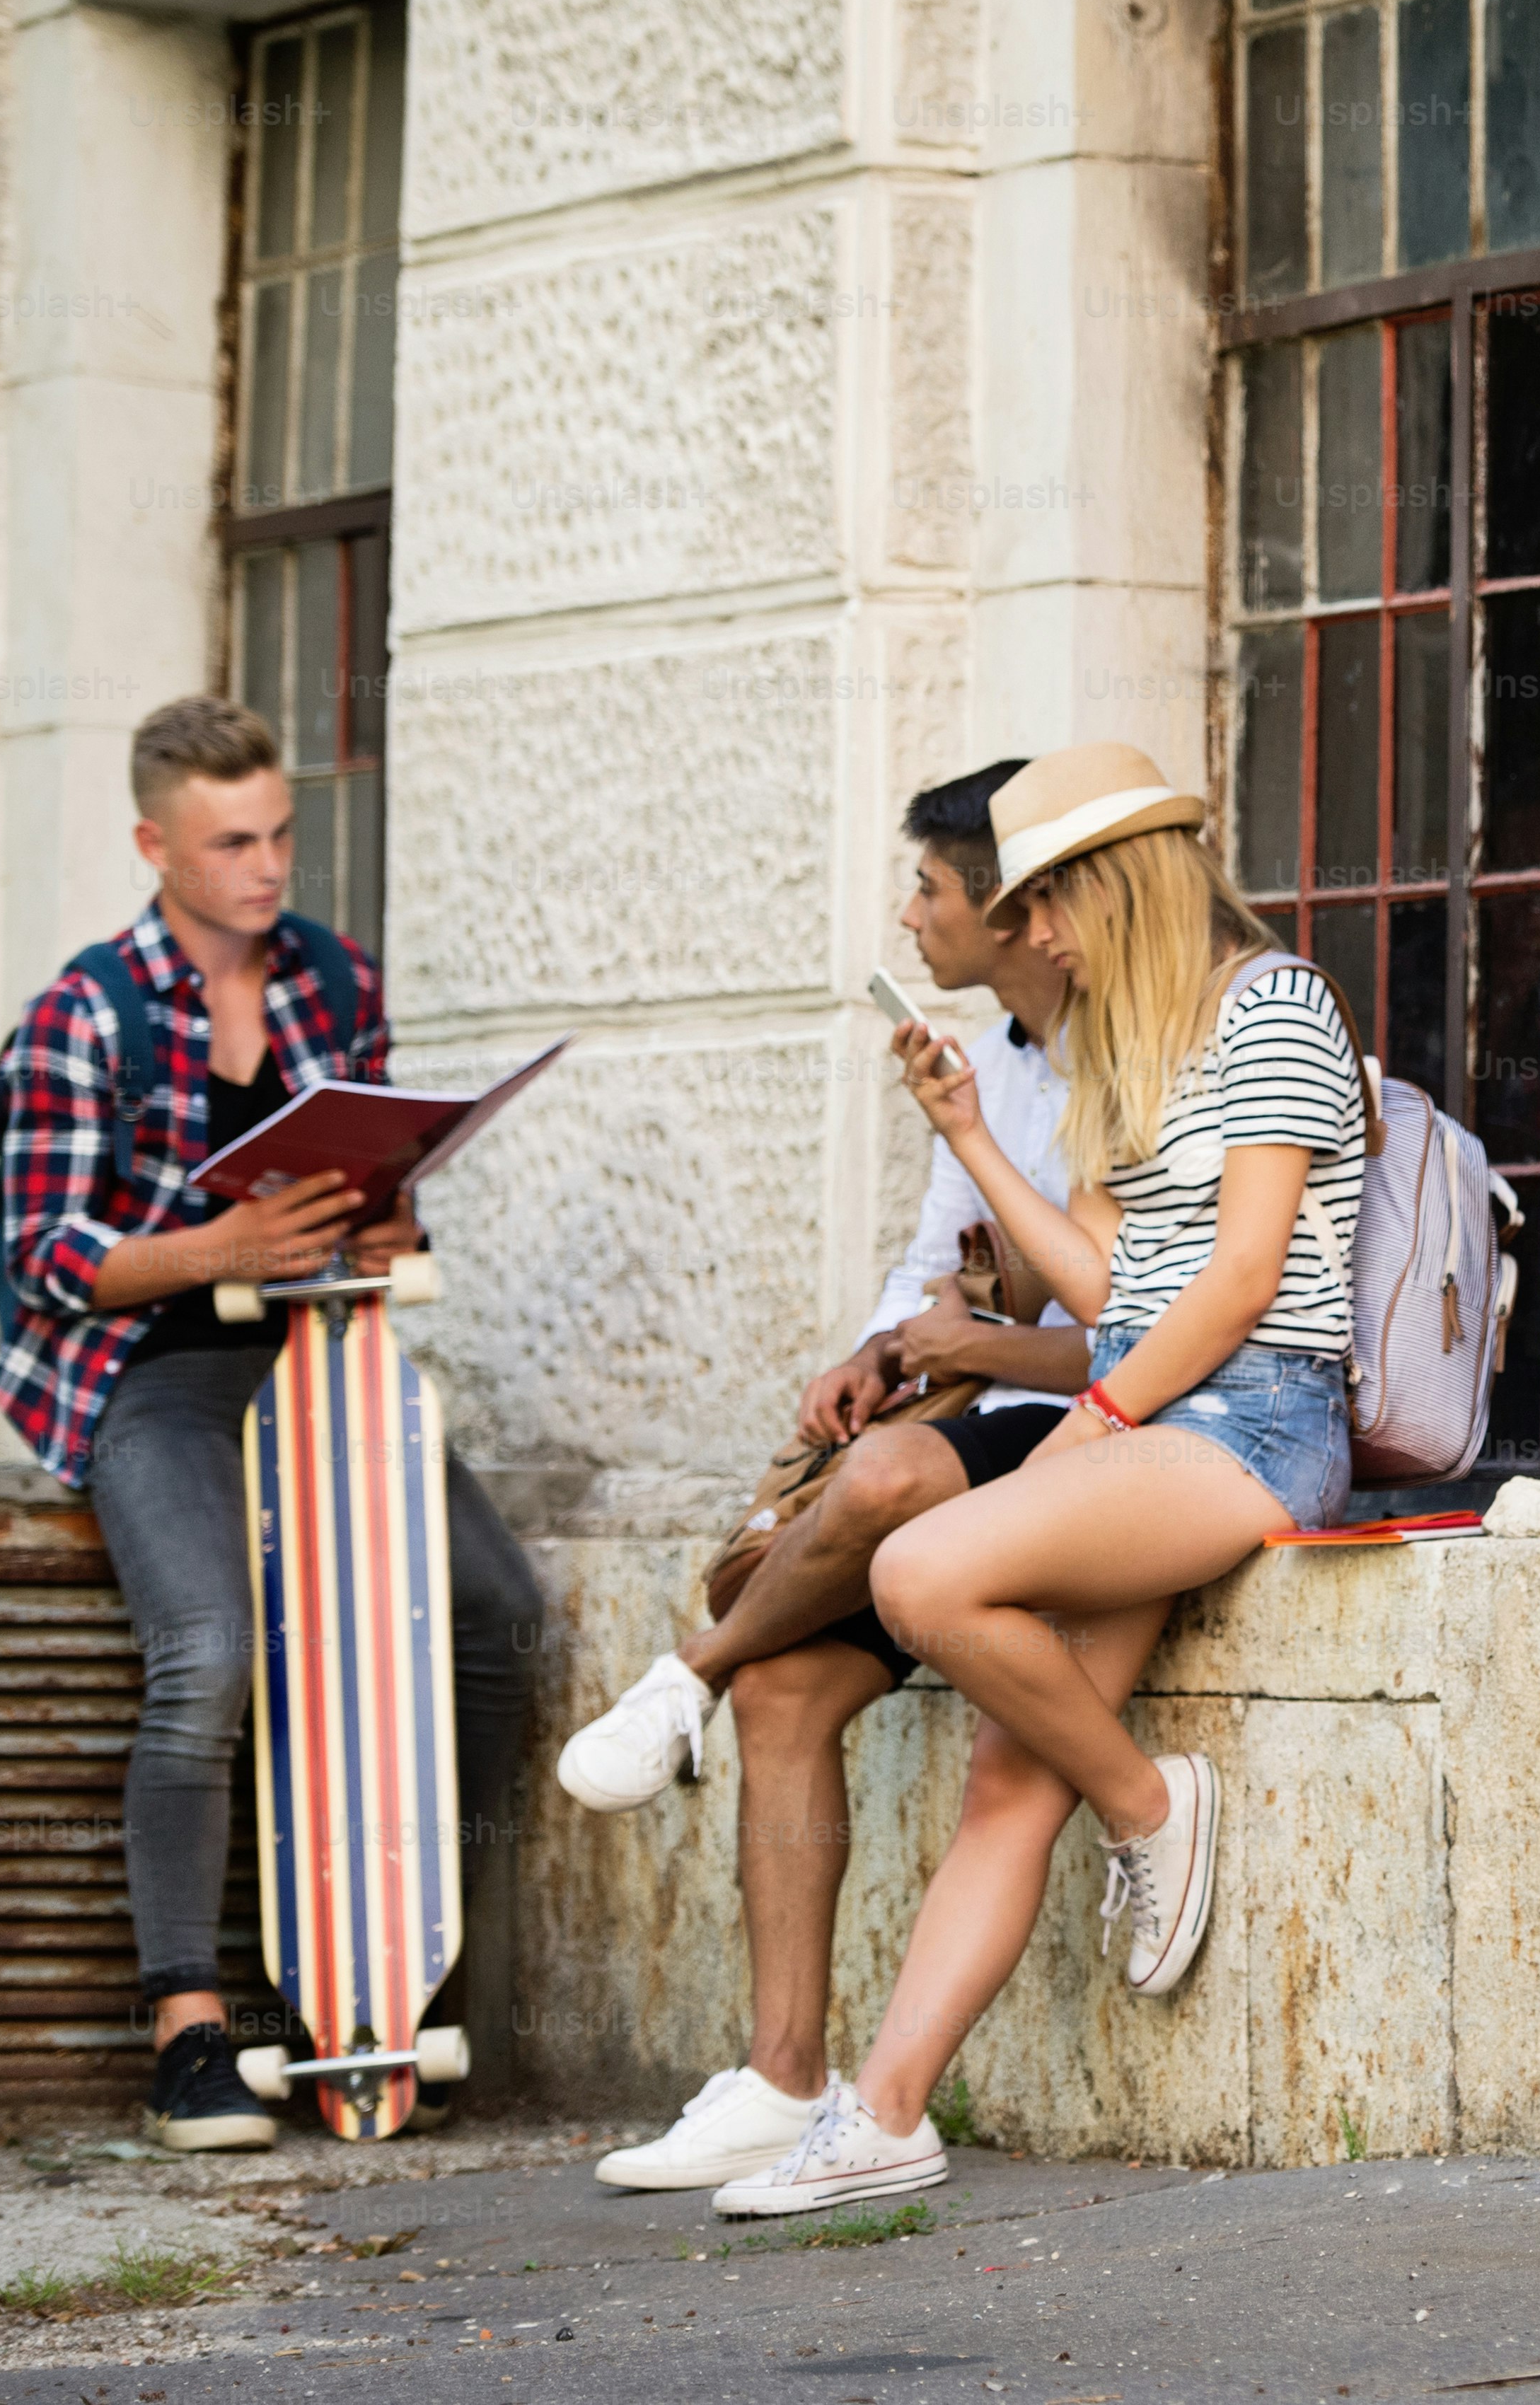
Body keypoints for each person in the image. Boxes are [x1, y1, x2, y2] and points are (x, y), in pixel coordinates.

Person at [710, 741, 1366, 2217]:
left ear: (1112, 883)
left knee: (918, 1566)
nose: (1035, 931)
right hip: (1158, 1413)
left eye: (1047, 899)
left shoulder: (1274, 1009)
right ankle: (883, 2114)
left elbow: (1246, 1276)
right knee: (1012, 1768)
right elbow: (1111, 1281)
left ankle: (1147, 1809)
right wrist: (965, 1139)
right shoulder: (1112, 1049)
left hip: (1255, 1419)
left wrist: (1098, 1417)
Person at [0, 695, 546, 2150]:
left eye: (281, 831)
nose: (265, 863)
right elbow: (53, 1254)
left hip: (322, 1351)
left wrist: (393, 1189)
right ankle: (186, 2027)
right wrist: (221, 1250)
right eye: (232, 839)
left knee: (493, 1609)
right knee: (213, 1649)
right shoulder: (81, 1012)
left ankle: (398, 1963)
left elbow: (360, 1186)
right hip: (150, 1368)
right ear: (152, 843)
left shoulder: (330, 977)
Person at [560, 761, 1099, 2191]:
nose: (908, 915)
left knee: (874, 1482)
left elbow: (1137, 1325)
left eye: (929, 887)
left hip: (1105, 1424)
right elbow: (933, 1256)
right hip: (989, 1409)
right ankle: (777, 2073)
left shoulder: (1128, 1060)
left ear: (1011, 905)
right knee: (794, 1685)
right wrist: (877, 1345)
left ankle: (688, 1671)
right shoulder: (998, 1063)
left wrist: (965, 1338)